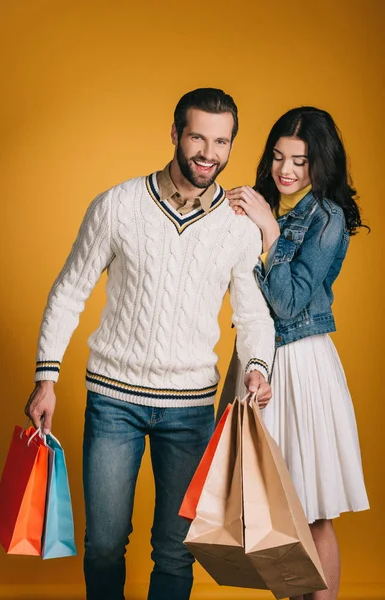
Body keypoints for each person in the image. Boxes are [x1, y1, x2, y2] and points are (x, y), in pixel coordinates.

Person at [25, 88, 275, 600]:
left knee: (176, 551)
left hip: (190, 409)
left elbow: (253, 315)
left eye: (222, 141)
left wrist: (257, 369)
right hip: (113, 402)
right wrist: (45, 379)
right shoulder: (117, 205)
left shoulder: (238, 227)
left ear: (231, 146)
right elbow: (69, 291)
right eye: (198, 137)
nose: (209, 152)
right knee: (104, 545)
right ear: (176, 134)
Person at [219, 106, 370, 600]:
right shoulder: (261, 203)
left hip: (302, 366)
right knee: (270, 509)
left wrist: (270, 232)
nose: (286, 170)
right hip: (257, 361)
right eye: (280, 157)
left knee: (311, 507)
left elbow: (286, 304)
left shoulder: (325, 218)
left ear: (320, 164)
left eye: (300, 162)